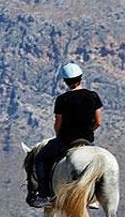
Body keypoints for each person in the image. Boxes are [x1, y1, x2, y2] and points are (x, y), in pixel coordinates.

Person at [29, 63, 103, 208]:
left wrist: (59, 135)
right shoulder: (93, 96)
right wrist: (88, 131)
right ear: (81, 78)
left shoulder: (62, 99)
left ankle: (44, 195)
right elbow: (99, 122)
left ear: (65, 81)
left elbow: (58, 123)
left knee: (40, 159)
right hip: (87, 139)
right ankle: (94, 198)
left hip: (67, 140)